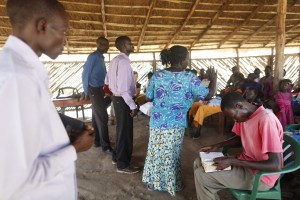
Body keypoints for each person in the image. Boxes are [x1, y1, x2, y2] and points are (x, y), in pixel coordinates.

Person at [0, 0, 95, 199]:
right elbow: (13, 183)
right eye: (63, 31)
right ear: (42, 26)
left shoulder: (19, 70)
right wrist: (74, 149)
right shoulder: (18, 78)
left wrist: (59, 133)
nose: (64, 40)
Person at [142, 45, 217, 196]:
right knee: (171, 154)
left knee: (155, 151)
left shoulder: (157, 76)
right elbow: (207, 95)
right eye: (187, 58)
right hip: (175, 124)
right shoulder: (189, 77)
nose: (188, 61)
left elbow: (148, 97)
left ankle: (152, 182)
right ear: (182, 60)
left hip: (157, 122)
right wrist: (214, 79)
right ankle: (173, 184)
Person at [193, 92, 283, 200]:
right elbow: (241, 138)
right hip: (246, 164)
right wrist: (218, 145)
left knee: (202, 176)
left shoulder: (266, 120)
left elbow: (276, 165)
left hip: (261, 176)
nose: (235, 121)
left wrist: (233, 161)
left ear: (239, 106)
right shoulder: (244, 115)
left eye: (234, 117)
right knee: (198, 162)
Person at [105, 36, 139, 174]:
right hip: (123, 99)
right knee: (125, 133)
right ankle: (123, 164)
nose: (133, 45)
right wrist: (133, 106)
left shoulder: (114, 60)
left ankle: (117, 157)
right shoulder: (124, 62)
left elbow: (106, 80)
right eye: (130, 44)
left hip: (117, 99)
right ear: (124, 46)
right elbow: (124, 89)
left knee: (120, 130)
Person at [82, 36, 113, 154]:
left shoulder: (101, 58)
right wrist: (86, 92)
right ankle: (106, 146)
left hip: (99, 89)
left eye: (108, 44)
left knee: (96, 115)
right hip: (93, 89)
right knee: (103, 116)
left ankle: (97, 141)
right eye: (105, 44)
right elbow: (85, 75)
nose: (108, 46)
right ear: (99, 45)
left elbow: (103, 74)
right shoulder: (93, 57)